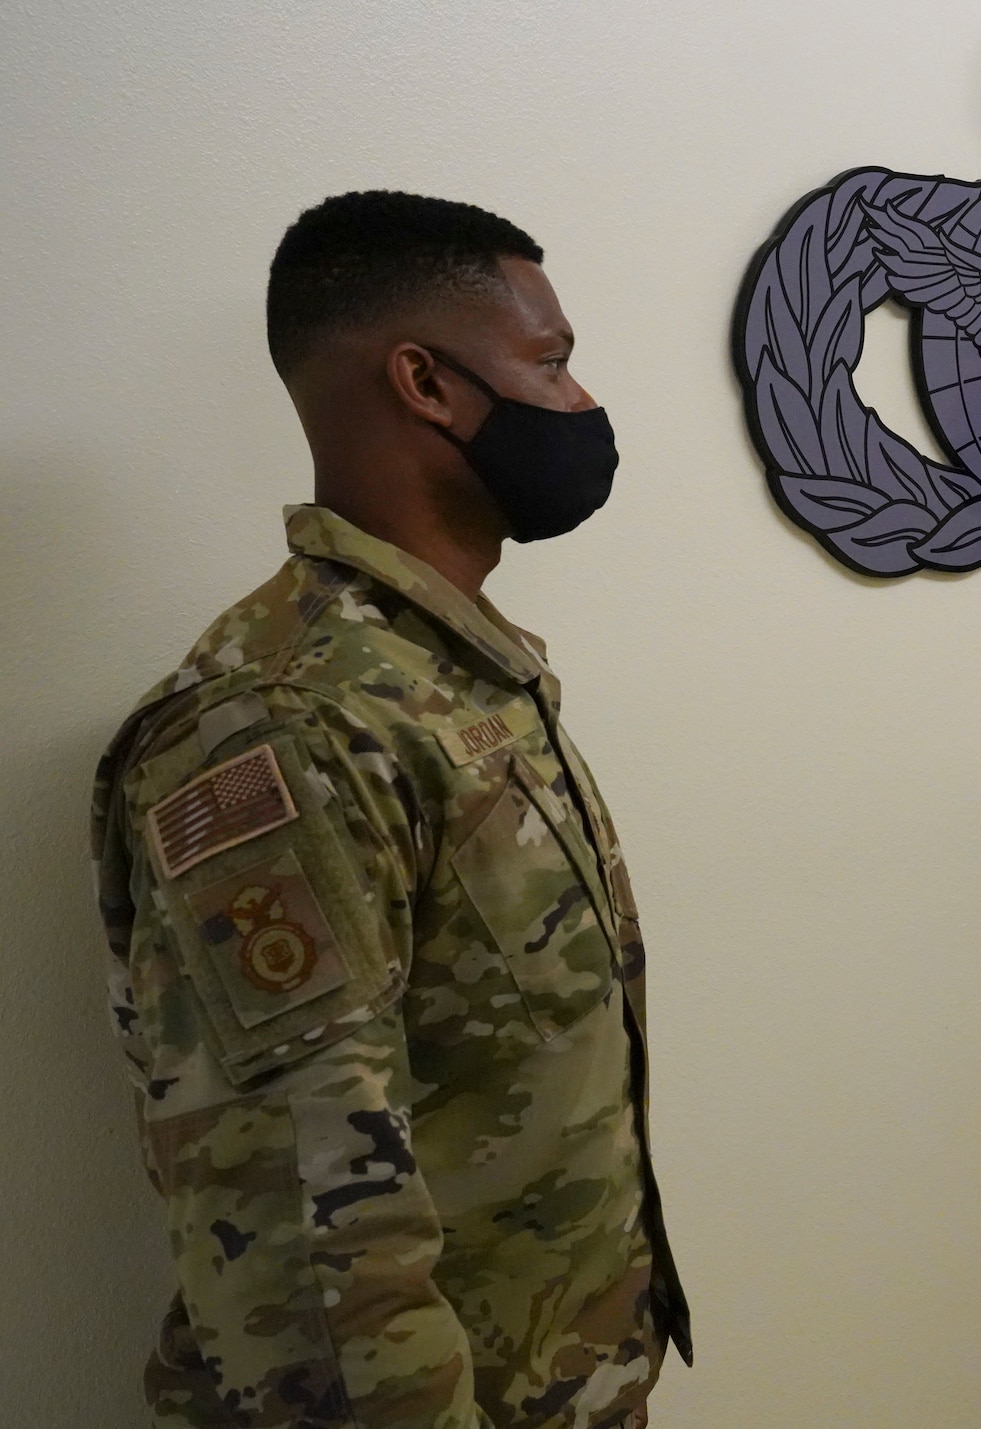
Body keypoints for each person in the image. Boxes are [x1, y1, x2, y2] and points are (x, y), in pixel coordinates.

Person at [89, 190, 688, 1429]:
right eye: (551, 362)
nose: (578, 403)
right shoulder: (287, 718)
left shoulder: (446, 672)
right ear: (428, 384)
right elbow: (311, 1231)